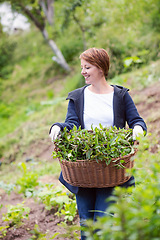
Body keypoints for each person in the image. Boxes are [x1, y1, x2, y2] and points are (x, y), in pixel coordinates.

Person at [49, 47, 147, 240]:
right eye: (82, 67)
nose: (83, 72)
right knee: (87, 224)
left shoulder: (120, 96)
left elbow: (137, 121)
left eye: (87, 67)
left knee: (104, 224)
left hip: (110, 168)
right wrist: (58, 128)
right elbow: (72, 124)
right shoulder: (78, 97)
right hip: (84, 170)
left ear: (101, 68)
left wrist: (137, 130)